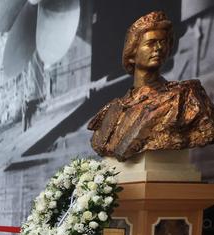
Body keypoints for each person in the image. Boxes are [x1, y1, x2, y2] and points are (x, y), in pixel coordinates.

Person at [88, 11, 214, 161]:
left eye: (163, 42)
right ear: (132, 53)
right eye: (151, 43)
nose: (159, 48)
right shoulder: (112, 110)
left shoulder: (184, 96)